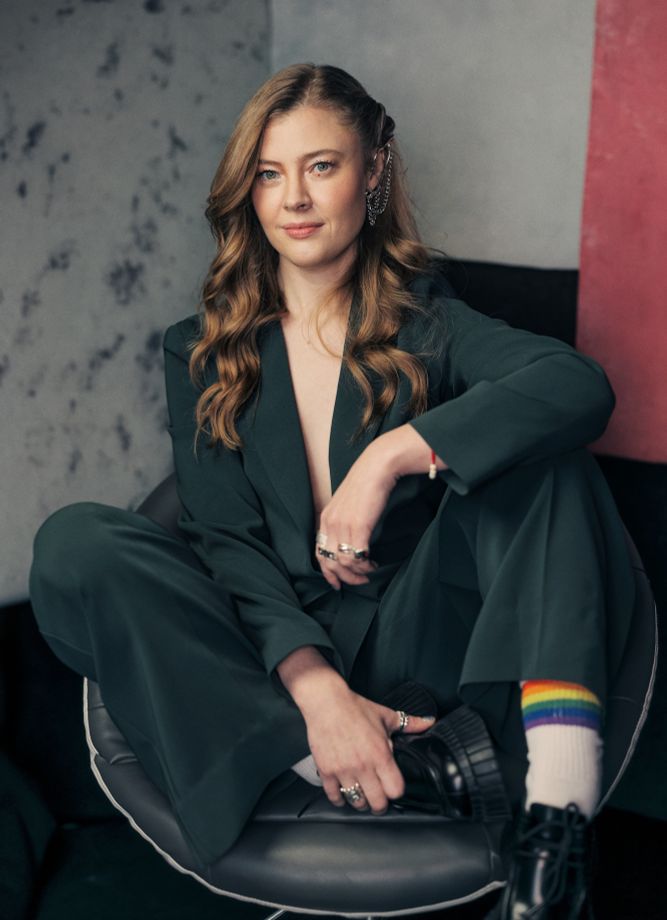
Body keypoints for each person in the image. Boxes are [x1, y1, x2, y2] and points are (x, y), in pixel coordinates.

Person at [29, 63, 638, 919]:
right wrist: (316, 691)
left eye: (322, 166)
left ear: (374, 173)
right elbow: (228, 543)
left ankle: (555, 826)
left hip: (417, 646)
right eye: (270, 174)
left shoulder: (429, 324)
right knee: (75, 542)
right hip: (271, 660)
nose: (295, 200)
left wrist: (394, 452)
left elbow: (578, 386)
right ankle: (346, 764)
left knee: (550, 460)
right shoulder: (199, 352)